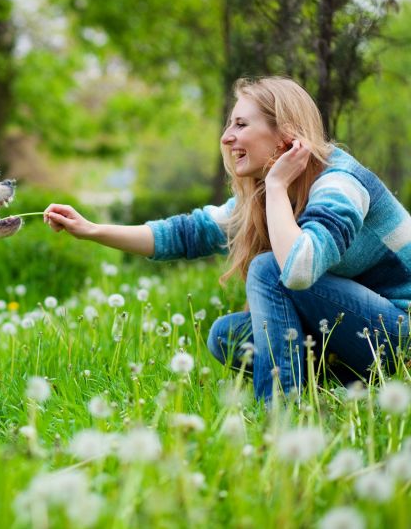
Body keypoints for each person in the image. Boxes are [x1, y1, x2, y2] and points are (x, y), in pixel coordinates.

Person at [43, 76, 411, 403]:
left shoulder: (340, 183)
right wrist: (91, 230)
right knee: (227, 335)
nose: (226, 137)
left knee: (270, 269)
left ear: (284, 133)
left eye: (240, 124)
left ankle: (281, 411)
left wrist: (277, 185)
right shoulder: (269, 197)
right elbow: (184, 234)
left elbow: (299, 270)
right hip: (355, 331)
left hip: (400, 334)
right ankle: (340, 391)